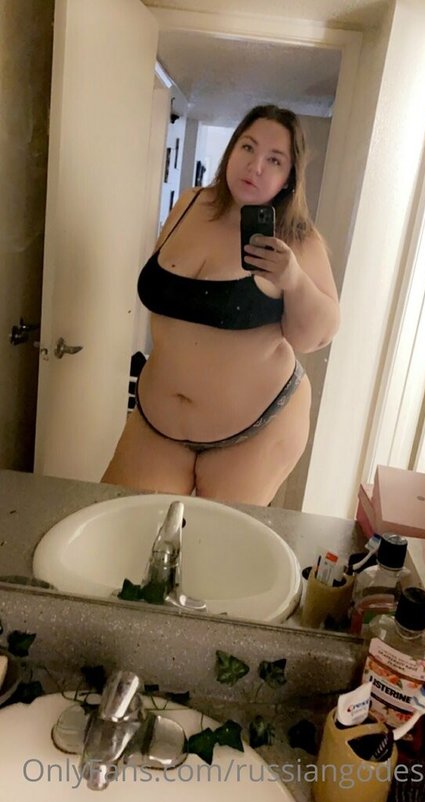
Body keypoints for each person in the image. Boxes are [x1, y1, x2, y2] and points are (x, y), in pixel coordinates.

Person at [102, 104, 340, 505]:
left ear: (289, 177)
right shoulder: (189, 205)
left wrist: (293, 279)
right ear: (232, 150)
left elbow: (316, 336)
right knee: (121, 523)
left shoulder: (297, 238)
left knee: (219, 538)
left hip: (254, 431)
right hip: (157, 420)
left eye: (274, 160)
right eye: (248, 147)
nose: (255, 166)